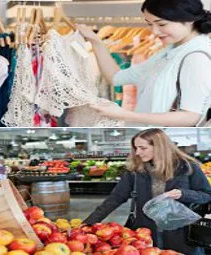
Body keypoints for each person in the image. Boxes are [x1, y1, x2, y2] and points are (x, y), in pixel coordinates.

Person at [77, 0, 211, 126]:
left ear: (189, 20)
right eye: (150, 24)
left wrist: (124, 115)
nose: (155, 31)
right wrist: (96, 41)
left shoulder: (196, 58)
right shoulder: (169, 53)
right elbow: (116, 78)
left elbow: (190, 117)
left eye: (162, 24)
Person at [83, 128, 211, 255]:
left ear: (159, 147)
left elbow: (206, 195)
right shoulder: (135, 171)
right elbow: (115, 198)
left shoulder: (187, 168)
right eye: (136, 148)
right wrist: (88, 223)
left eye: (142, 148)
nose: (138, 152)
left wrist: (184, 194)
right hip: (146, 233)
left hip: (181, 233)